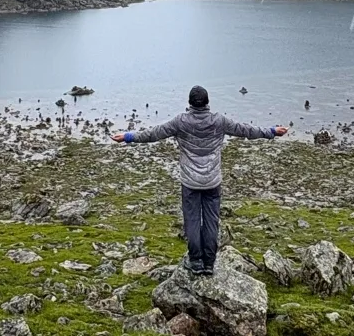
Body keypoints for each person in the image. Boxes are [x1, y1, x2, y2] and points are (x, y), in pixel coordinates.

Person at [112, 85, 287, 275]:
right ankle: (209, 264)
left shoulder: (181, 122)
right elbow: (245, 130)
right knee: (212, 221)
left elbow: (154, 134)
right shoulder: (219, 121)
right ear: (207, 102)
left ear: (190, 103)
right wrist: (271, 131)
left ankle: (196, 261)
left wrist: (128, 136)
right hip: (212, 181)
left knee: (192, 221)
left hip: (190, 183)